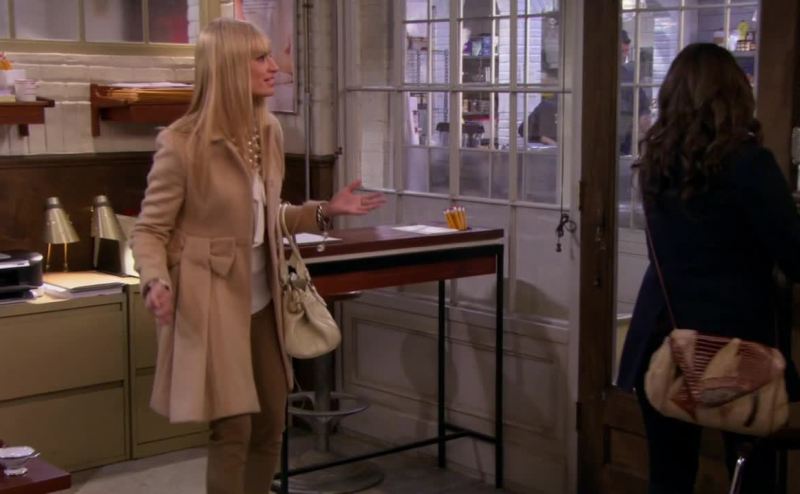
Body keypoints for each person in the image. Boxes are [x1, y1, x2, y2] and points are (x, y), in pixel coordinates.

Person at [130, 18, 384, 494]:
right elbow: (149, 229)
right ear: (229, 67)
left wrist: (325, 211)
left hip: (265, 302)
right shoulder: (182, 143)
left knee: (271, 423)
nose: (274, 67)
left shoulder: (267, 130)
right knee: (233, 430)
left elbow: (266, 215)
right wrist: (155, 280)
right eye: (261, 57)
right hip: (211, 305)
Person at [617, 43, 800, 493]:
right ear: (735, 95)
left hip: (665, 336)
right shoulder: (750, 163)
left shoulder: (656, 163)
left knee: (670, 477)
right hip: (735, 347)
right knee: (751, 475)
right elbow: (794, 256)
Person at [619, 29, 652, 155]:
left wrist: (644, 117)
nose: (624, 54)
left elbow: (642, 105)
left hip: (625, 139)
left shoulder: (626, 75)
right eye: (622, 51)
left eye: (626, 51)